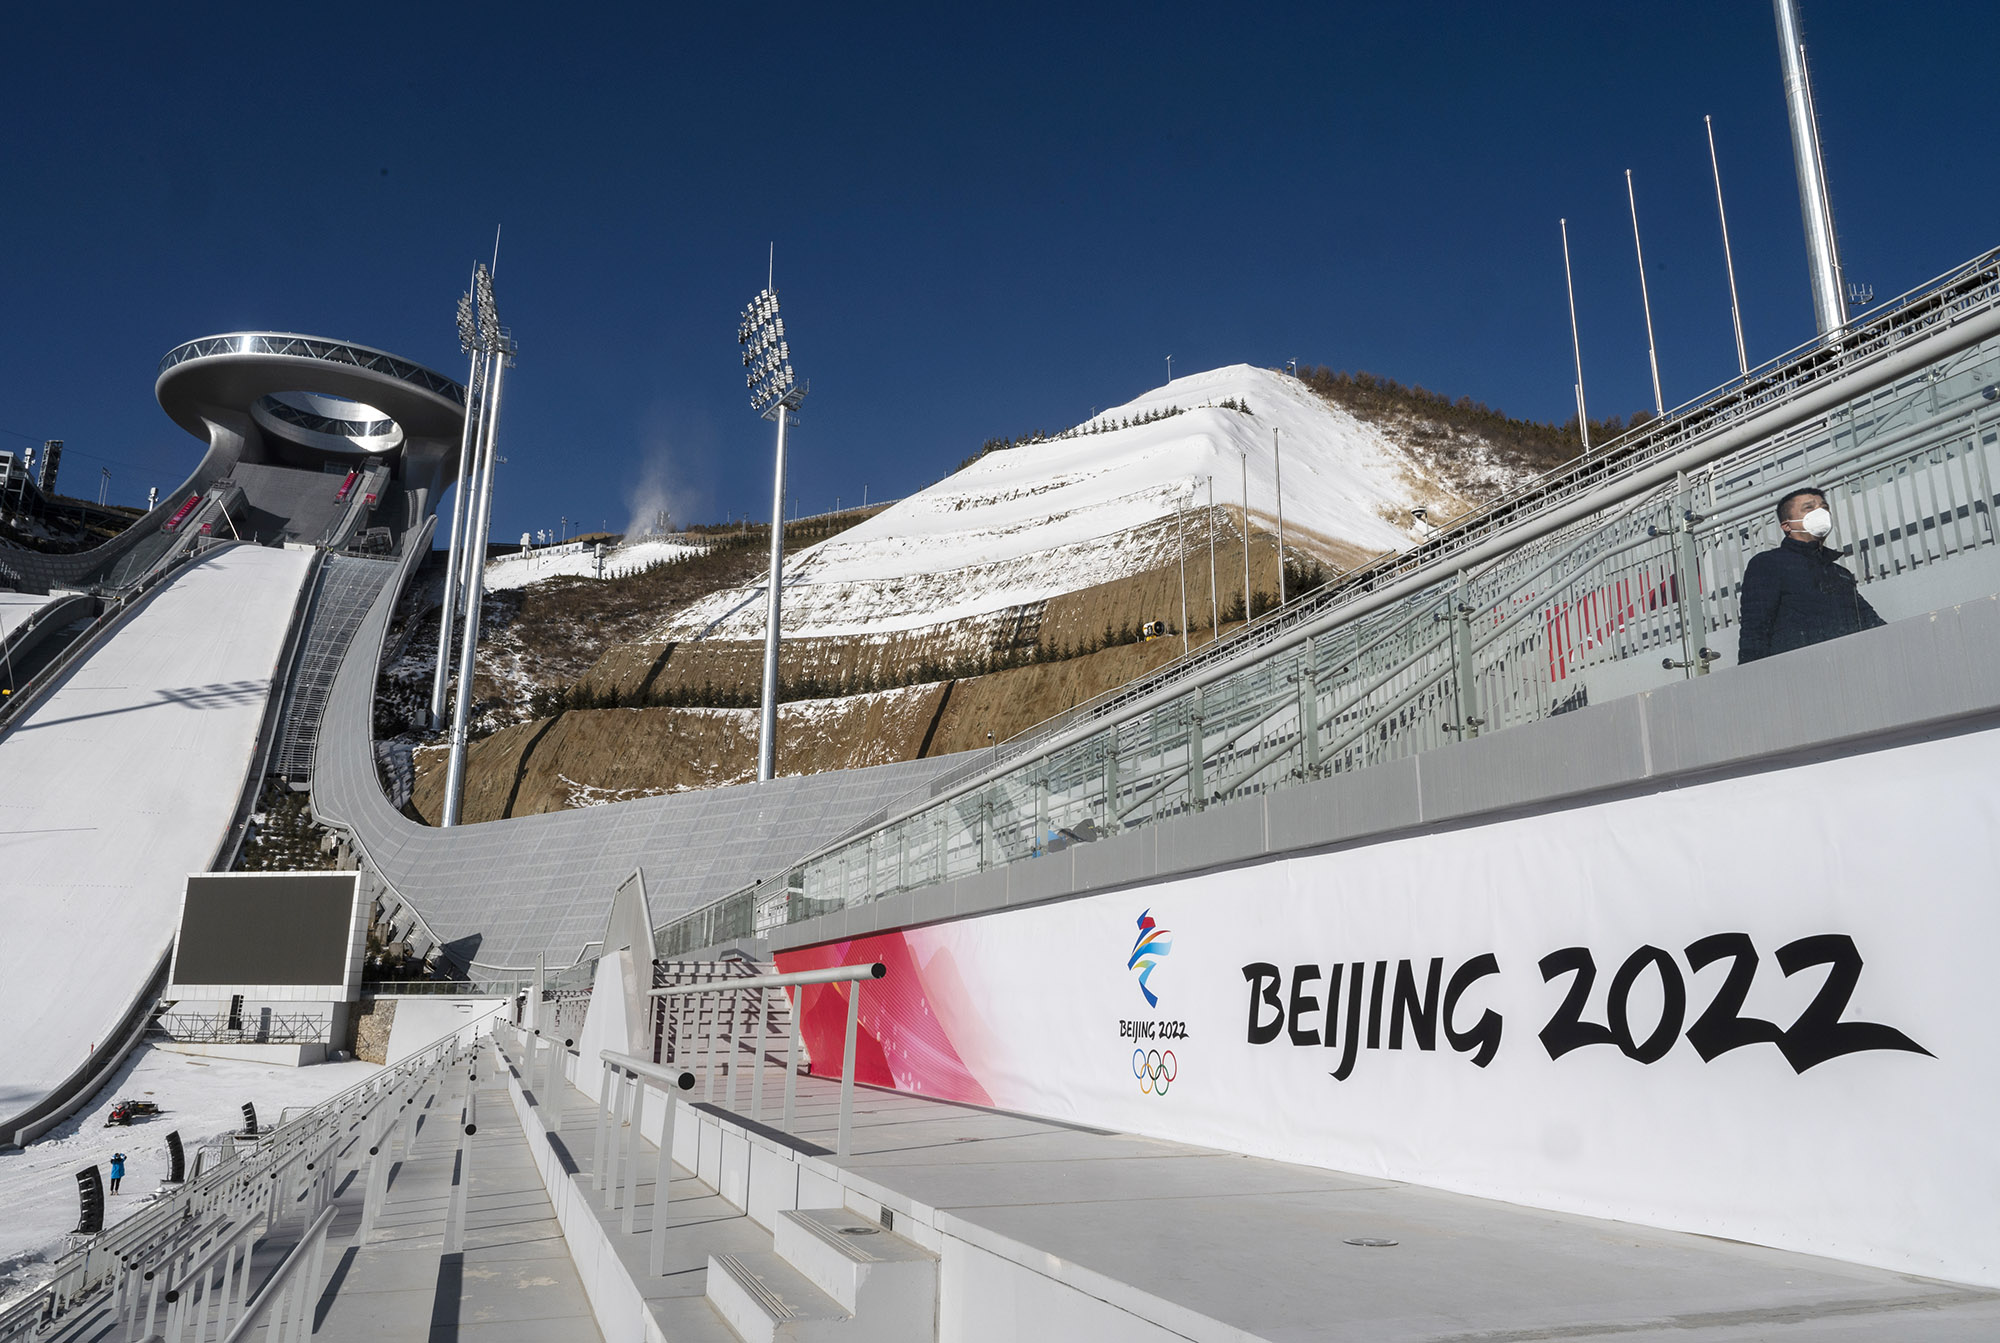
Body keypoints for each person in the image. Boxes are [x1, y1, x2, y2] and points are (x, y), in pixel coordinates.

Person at [1737, 487, 1885, 663]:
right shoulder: (1768, 563)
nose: (1820, 512)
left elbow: (1869, 620)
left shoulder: (1839, 573)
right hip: (1799, 671)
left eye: (1824, 507)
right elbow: (1755, 627)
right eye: (1809, 508)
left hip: (1851, 664)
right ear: (1787, 525)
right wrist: (1752, 675)